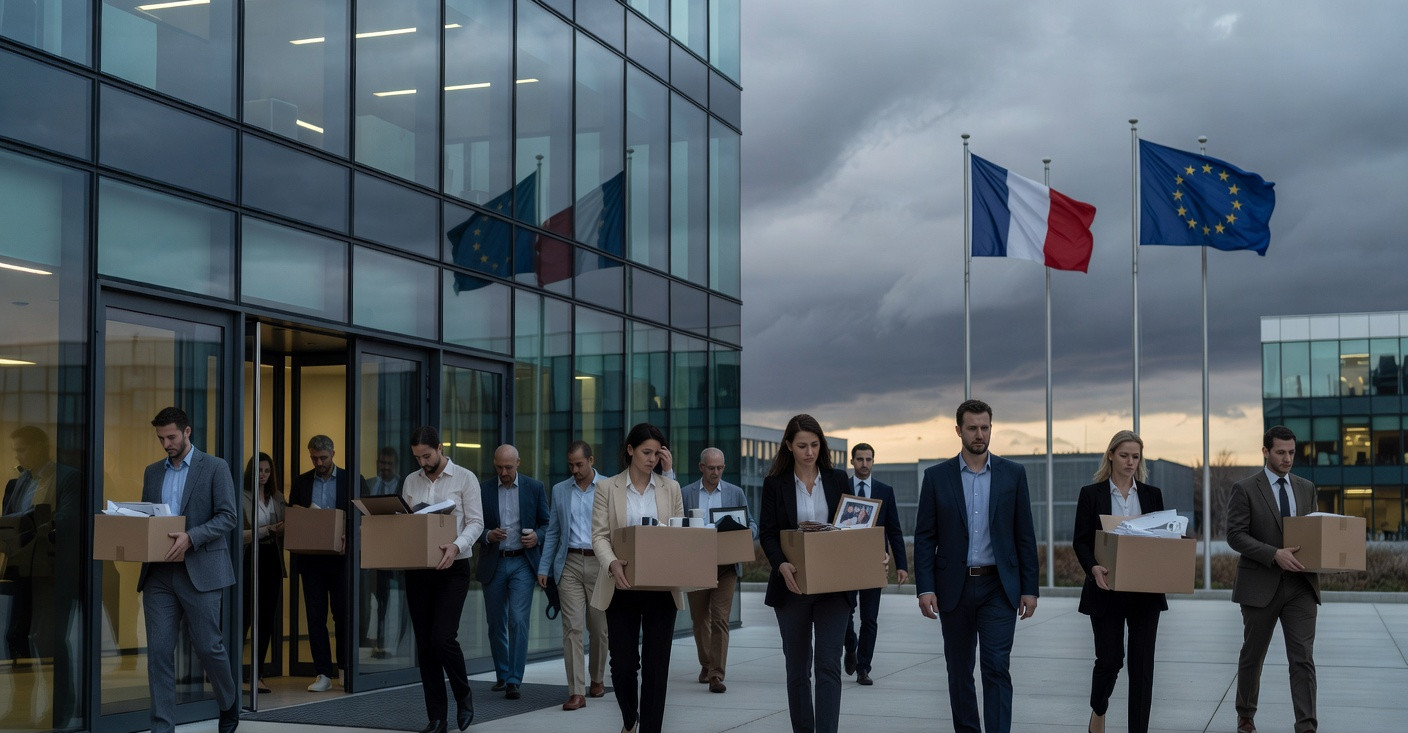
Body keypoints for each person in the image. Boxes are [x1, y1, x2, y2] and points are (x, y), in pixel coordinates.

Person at [914, 399, 1039, 733]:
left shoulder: (1013, 474)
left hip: (999, 587)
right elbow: (925, 537)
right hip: (953, 588)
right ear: (959, 430)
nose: (979, 434)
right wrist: (925, 587)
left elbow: (1025, 535)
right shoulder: (936, 477)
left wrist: (1030, 588)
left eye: (985, 427)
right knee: (959, 671)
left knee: (996, 666)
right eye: (972, 428)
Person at [137, 407, 240, 733]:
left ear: (187, 432)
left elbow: (228, 516)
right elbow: (149, 517)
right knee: (158, 653)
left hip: (201, 570)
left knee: (209, 646)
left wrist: (191, 537)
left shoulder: (215, 467)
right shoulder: (153, 472)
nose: (166, 444)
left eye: (171, 437)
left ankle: (228, 702)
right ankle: (162, 727)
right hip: (159, 574)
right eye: (161, 439)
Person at [759, 414, 856, 733]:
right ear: (789, 445)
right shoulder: (775, 484)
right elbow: (768, 533)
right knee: (798, 670)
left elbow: (853, 527)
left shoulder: (838, 479)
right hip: (792, 587)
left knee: (828, 666)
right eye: (802, 446)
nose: (809, 452)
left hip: (834, 588)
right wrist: (780, 564)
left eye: (815, 445)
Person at [1072, 431, 1168, 733]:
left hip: (1145, 592)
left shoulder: (1152, 495)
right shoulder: (1091, 494)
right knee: (1110, 660)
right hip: (1106, 589)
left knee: (1142, 667)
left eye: (1135, 457)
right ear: (1111, 455)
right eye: (1124, 455)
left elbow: (1163, 539)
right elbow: (1080, 541)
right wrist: (1093, 568)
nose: (1130, 462)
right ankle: (1099, 709)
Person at [591, 422, 684, 733]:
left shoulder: (671, 488)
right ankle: (630, 719)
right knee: (623, 665)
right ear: (630, 450)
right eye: (646, 452)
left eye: (657, 453)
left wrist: (669, 474)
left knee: (657, 667)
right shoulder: (607, 488)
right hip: (622, 584)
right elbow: (599, 536)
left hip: (661, 586)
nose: (652, 459)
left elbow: (680, 533)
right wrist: (612, 564)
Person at [1227, 425, 1320, 733]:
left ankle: (1306, 725)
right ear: (1265, 451)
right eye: (1280, 452)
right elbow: (1235, 535)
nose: (1287, 458)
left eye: (1291, 452)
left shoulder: (1306, 488)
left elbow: (1313, 533)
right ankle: (1245, 716)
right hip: (1260, 585)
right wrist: (1273, 554)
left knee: (1302, 658)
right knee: (1253, 655)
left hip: (1301, 585)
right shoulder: (1245, 488)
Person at [401, 426, 484, 733]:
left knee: (443, 638)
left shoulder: (465, 478)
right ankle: (437, 718)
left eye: (427, 456)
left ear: (440, 448)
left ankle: (463, 695)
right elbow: (407, 523)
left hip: (454, 568)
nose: (423, 462)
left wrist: (456, 545)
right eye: (417, 458)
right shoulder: (411, 481)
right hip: (419, 570)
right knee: (425, 646)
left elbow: (476, 522)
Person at [288, 434, 365, 692]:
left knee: (342, 615)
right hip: (311, 560)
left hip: (342, 559)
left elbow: (364, 519)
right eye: (314, 458)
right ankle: (322, 672)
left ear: (333, 454)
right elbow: (293, 515)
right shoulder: (301, 482)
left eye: (323, 457)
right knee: (315, 617)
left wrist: (349, 537)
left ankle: (344, 668)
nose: (319, 463)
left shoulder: (351, 480)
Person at [537, 440, 609, 710]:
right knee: (572, 628)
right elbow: (554, 531)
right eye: (571, 465)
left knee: (599, 630)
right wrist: (544, 567)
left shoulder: (608, 487)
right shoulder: (560, 490)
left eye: (579, 464)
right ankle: (576, 692)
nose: (575, 470)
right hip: (568, 564)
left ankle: (597, 678)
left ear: (591, 461)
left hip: (600, 564)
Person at [682, 446, 756, 694]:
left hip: (727, 565)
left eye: (720, 468)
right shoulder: (686, 493)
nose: (716, 472)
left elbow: (751, 523)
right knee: (699, 619)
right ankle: (706, 663)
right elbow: (677, 524)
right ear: (701, 467)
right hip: (696, 564)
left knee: (720, 619)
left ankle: (716, 674)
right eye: (711, 468)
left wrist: (746, 534)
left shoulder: (735, 493)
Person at [478, 444, 549, 699]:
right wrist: (488, 534)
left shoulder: (535, 487)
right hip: (494, 561)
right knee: (496, 622)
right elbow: (472, 524)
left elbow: (547, 524)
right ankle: (503, 673)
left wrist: (537, 537)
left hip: (522, 562)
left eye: (508, 467)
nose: (504, 472)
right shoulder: (483, 489)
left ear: (518, 463)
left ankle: (514, 680)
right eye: (499, 467)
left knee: (518, 620)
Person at [844, 443, 908, 686]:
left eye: (868, 459)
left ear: (873, 461)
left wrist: (901, 565)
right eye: (860, 459)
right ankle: (850, 646)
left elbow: (894, 530)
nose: (864, 464)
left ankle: (863, 668)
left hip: (874, 562)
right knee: (845, 613)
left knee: (870, 618)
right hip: (846, 563)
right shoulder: (842, 488)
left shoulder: (885, 491)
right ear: (852, 461)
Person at [241, 452, 285, 695]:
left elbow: (288, 528)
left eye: (267, 471)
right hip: (249, 558)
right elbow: (236, 535)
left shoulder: (278, 497)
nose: (263, 475)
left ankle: (257, 675)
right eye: (259, 470)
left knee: (266, 619)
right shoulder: (240, 496)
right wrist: (267, 530)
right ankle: (232, 673)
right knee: (244, 617)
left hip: (271, 559)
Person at [363, 446, 401, 660]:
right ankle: (374, 642)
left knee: (391, 602)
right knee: (373, 601)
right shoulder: (368, 484)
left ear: (396, 466)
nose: (384, 467)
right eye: (382, 463)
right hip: (371, 552)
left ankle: (389, 644)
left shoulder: (403, 485)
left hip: (395, 554)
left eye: (389, 464)